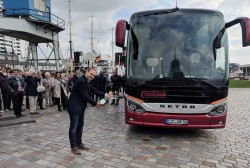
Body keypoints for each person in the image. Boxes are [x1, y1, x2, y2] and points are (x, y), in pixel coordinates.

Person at [67, 68, 112, 155]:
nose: (92, 76)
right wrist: (95, 103)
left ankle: (79, 143)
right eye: (91, 74)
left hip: (80, 107)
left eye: (94, 75)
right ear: (87, 72)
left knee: (80, 126)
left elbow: (94, 90)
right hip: (74, 107)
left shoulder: (87, 81)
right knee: (74, 127)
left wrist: (106, 94)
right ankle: (73, 147)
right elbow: (85, 96)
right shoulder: (81, 81)